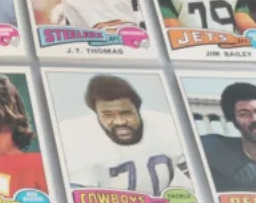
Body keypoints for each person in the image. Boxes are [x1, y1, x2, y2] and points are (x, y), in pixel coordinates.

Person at [57, 75, 189, 195]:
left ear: (138, 109)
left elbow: (194, 173)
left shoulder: (169, 126)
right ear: (96, 114)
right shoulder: (76, 136)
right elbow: (79, 197)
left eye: (126, 113)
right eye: (108, 115)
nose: (120, 122)